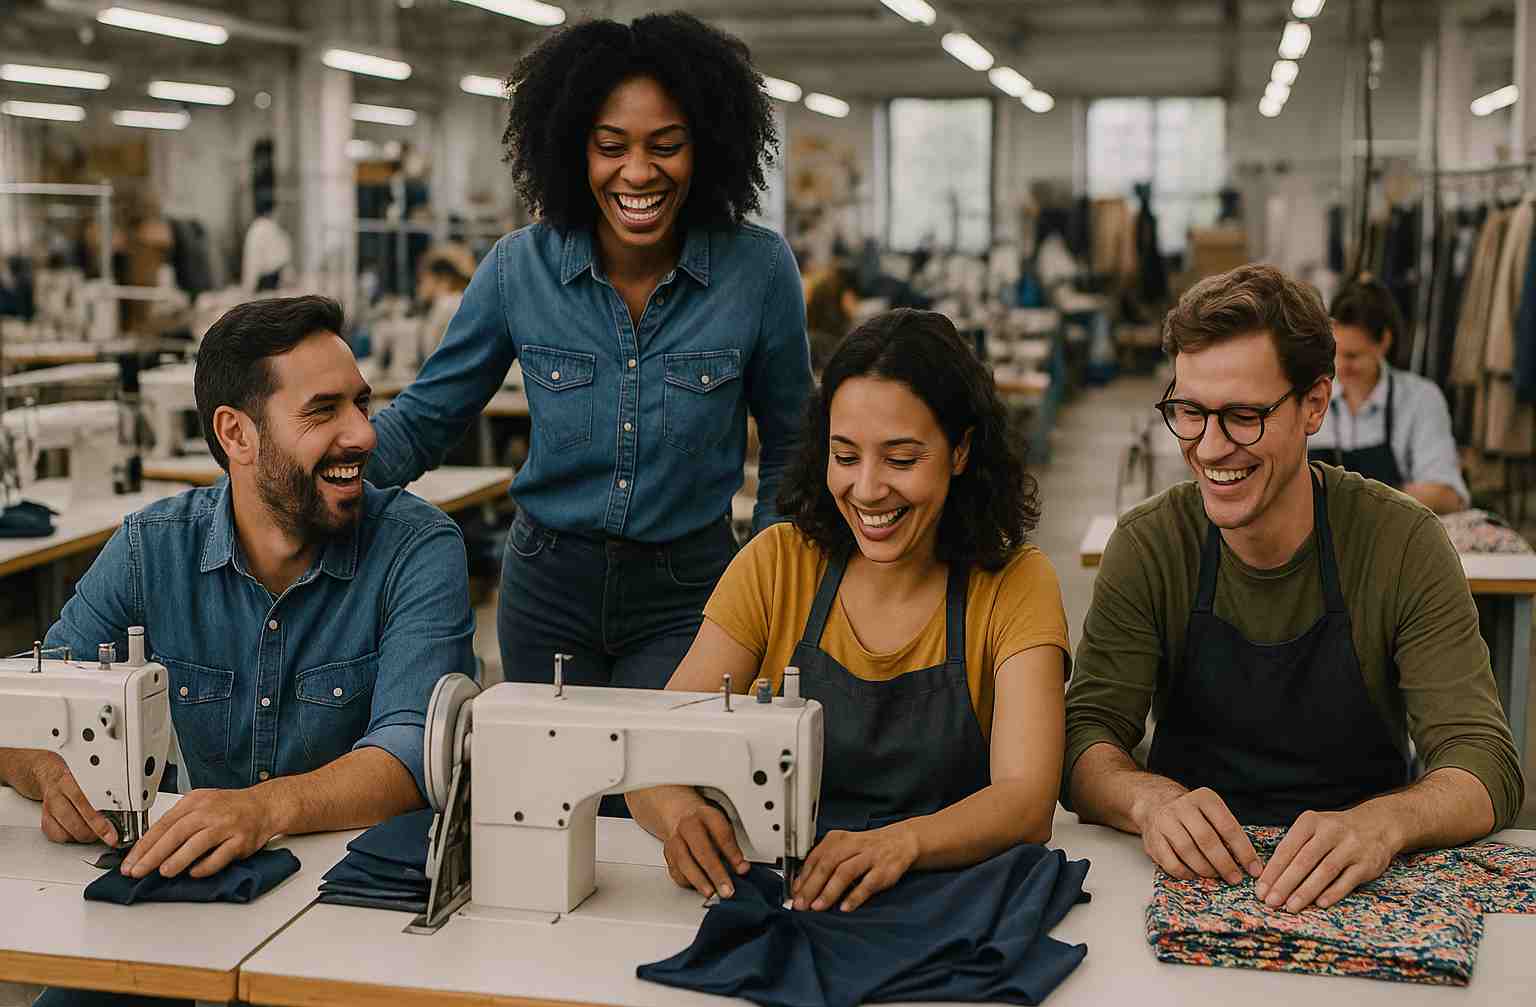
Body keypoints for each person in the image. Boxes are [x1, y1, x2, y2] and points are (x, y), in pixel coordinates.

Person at [1, 296, 475, 1007]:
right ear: (237, 434)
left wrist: (261, 810)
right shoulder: (151, 550)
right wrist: (48, 772)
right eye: (324, 412)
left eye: (361, 404)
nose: (362, 434)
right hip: (190, 916)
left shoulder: (417, 549)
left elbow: (413, 754)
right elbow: (26, 704)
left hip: (351, 920)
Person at [366, 13, 812, 691]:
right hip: (548, 592)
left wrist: (772, 581)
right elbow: (426, 419)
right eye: (611, 146)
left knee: (661, 791)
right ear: (574, 149)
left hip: (693, 595)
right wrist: (311, 477)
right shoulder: (519, 269)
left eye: (667, 145)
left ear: (707, 147)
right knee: (545, 795)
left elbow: (792, 446)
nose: (639, 172)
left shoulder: (759, 271)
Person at [1065, 264, 1523, 917]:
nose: (1211, 446)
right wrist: (1147, 800)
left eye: (1244, 416)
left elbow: (1485, 763)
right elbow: (1084, 740)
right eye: (1190, 412)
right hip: (1189, 885)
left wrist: (1383, 826)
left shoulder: (1403, 544)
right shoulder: (1149, 546)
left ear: (1314, 405)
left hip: (1360, 889)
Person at [628, 309, 1069, 913]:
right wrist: (680, 815)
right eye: (845, 455)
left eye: (901, 459)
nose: (866, 489)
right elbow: (652, 747)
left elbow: (1026, 800)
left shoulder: (1016, 584)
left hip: (951, 901)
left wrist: (902, 843)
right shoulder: (777, 564)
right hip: (787, 899)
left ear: (961, 450)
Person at [1309, 277, 1469, 513]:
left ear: (1383, 342)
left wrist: (1361, 501)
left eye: (1353, 356)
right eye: (1337, 353)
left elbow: (1447, 495)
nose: (1341, 366)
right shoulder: (1308, 397)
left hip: (1393, 535)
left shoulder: (1421, 399)